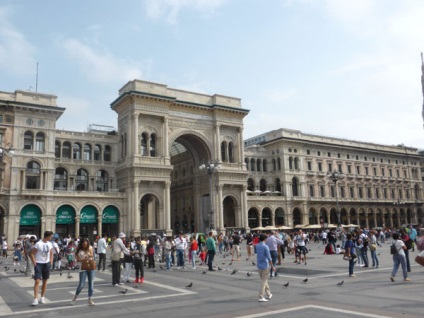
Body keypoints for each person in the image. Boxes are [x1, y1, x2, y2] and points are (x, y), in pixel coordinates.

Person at [30, 230, 54, 306]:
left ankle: (42, 297)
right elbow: (32, 253)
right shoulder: (38, 244)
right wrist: (35, 264)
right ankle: (35, 298)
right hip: (39, 264)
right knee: (37, 281)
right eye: (51, 236)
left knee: (45, 281)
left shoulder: (50, 244)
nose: (52, 237)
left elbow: (51, 253)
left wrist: (51, 262)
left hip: (46, 264)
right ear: (48, 236)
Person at [71, 238, 96, 306]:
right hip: (83, 268)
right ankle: (75, 297)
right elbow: (77, 259)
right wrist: (83, 259)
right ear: (81, 244)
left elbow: (92, 255)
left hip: (90, 266)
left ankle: (90, 299)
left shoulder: (90, 247)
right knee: (81, 285)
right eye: (83, 244)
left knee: (91, 284)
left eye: (86, 244)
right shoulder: (79, 250)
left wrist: (88, 254)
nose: (85, 245)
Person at [256, 234, 275, 302]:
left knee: (264, 280)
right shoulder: (266, 246)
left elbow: (257, 253)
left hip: (259, 265)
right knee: (264, 281)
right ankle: (261, 296)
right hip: (265, 265)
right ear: (264, 239)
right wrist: (272, 266)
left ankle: (269, 293)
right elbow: (269, 258)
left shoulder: (257, 246)